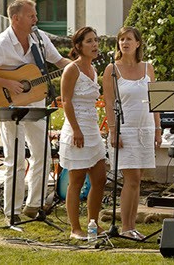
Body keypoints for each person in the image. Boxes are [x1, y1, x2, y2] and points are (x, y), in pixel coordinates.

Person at [0, 0, 70, 222]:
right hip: (9, 105)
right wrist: (7, 84)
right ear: (16, 19)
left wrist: (78, 65)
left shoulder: (40, 38)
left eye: (35, 15)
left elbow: (59, 60)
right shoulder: (2, 43)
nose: (36, 19)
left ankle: (34, 206)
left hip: (35, 101)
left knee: (42, 153)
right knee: (15, 158)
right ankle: (12, 212)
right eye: (31, 15)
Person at [102, 26, 162, 240]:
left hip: (145, 128)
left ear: (138, 43)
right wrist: (113, 130)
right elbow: (108, 102)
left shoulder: (148, 68)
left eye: (129, 39)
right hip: (123, 128)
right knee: (131, 178)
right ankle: (126, 227)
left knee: (138, 179)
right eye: (121, 39)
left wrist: (157, 129)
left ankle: (131, 225)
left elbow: (155, 101)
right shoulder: (112, 69)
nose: (124, 43)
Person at [58, 26, 107, 241]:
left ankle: (93, 223)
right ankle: (75, 228)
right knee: (76, 179)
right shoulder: (72, 70)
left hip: (92, 129)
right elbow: (66, 101)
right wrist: (76, 130)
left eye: (95, 40)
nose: (95, 44)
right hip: (76, 129)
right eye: (89, 41)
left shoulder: (94, 70)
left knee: (100, 178)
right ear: (78, 46)